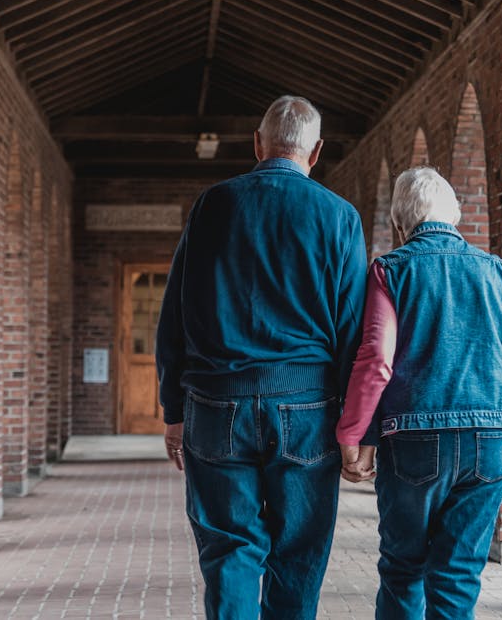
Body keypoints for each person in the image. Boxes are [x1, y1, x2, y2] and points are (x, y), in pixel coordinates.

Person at [155, 95, 368, 619]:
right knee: (298, 552)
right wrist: (354, 428)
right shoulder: (339, 217)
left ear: (257, 143)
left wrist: (173, 411)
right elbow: (352, 332)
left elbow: (176, 312)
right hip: (307, 405)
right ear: (316, 152)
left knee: (229, 549)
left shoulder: (213, 205)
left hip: (214, 401)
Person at [337, 166, 502, 620]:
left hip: (414, 440)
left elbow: (376, 359)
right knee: (458, 573)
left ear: (398, 223)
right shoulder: (494, 271)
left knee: (403, 567)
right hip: (491, 440)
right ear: (456, 216)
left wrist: (354, 435)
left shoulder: (390, 270)